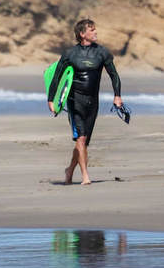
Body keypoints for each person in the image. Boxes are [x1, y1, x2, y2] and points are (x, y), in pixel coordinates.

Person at [46, 19, 123, 185]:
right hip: (75, 101)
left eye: (95, 29)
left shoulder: (102, 53)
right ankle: (85, 176)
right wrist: (51, 100)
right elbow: (57, 76)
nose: (95, 32)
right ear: (82, 34)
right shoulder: (70, 54)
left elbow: (114, 75)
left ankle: (69, 171)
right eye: (92, 30)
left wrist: (117, 96)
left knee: (84, 142)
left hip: (92, 102)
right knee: (80, 138)